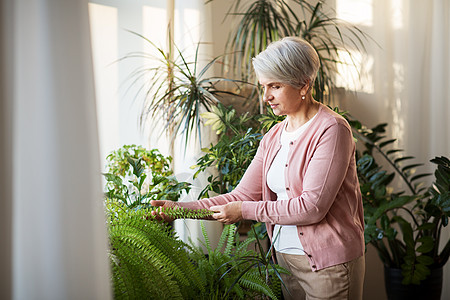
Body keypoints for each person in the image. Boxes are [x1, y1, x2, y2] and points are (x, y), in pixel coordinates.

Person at [151, 36, 365, 300]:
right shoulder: (274, 136)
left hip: (328, 266)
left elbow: (311, 207)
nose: (266, 97)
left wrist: (245, 211)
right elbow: (239, 197)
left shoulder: (331, 130)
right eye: (264, 86)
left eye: (275, 86)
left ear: (303, 84)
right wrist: (180, 210)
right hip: (285, 262)